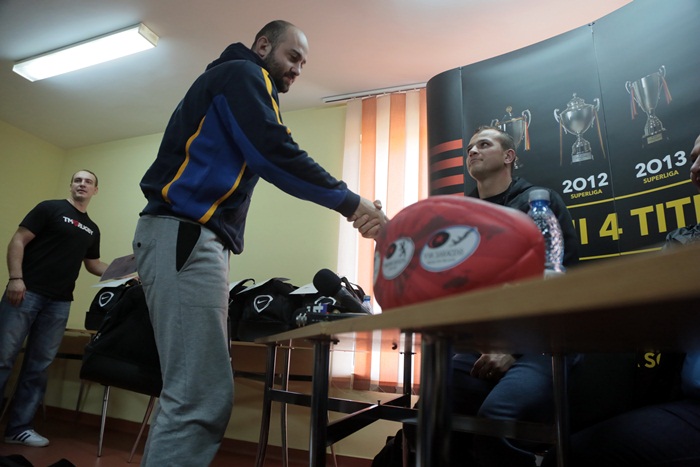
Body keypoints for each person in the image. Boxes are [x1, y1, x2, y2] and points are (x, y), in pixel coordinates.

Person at [133, 20, 387, 466]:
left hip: (190, 238)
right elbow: (274, 151)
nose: (298, 70)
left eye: (303, 64)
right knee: (199, 395)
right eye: (293, 57)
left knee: (195, 392)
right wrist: (353, 204)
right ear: (263, 45)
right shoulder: (244, 73)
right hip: (186, 234)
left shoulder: (233, 79)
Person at [539, 132, 700, 467]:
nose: (694, 169)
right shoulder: (685, 241)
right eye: (693, 159)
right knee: (565, 456)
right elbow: (648, 310)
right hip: (690, 407)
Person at [451, 125, 580, 466]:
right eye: (469, 148)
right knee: (434, 406)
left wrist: (513, 347)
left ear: (509, 156)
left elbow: (560, 283)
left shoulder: (539, 203)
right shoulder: (462, 217)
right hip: (483, 342)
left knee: (494, 420)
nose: (472, 152)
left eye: (484, 144)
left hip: (542, 343)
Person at [0, 170, 108, 447]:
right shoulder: (50, 208)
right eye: (78, 180)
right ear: (71, 185)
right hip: (26, 292)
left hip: (59, 303)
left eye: (88, 182)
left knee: (39, 366)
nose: (82, 184)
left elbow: (93, 265)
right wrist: (15, 278)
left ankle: (19, 429)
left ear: (95, 190)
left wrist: (128, 272)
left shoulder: (92, 229)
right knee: (3, 358)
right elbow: (18, 239)